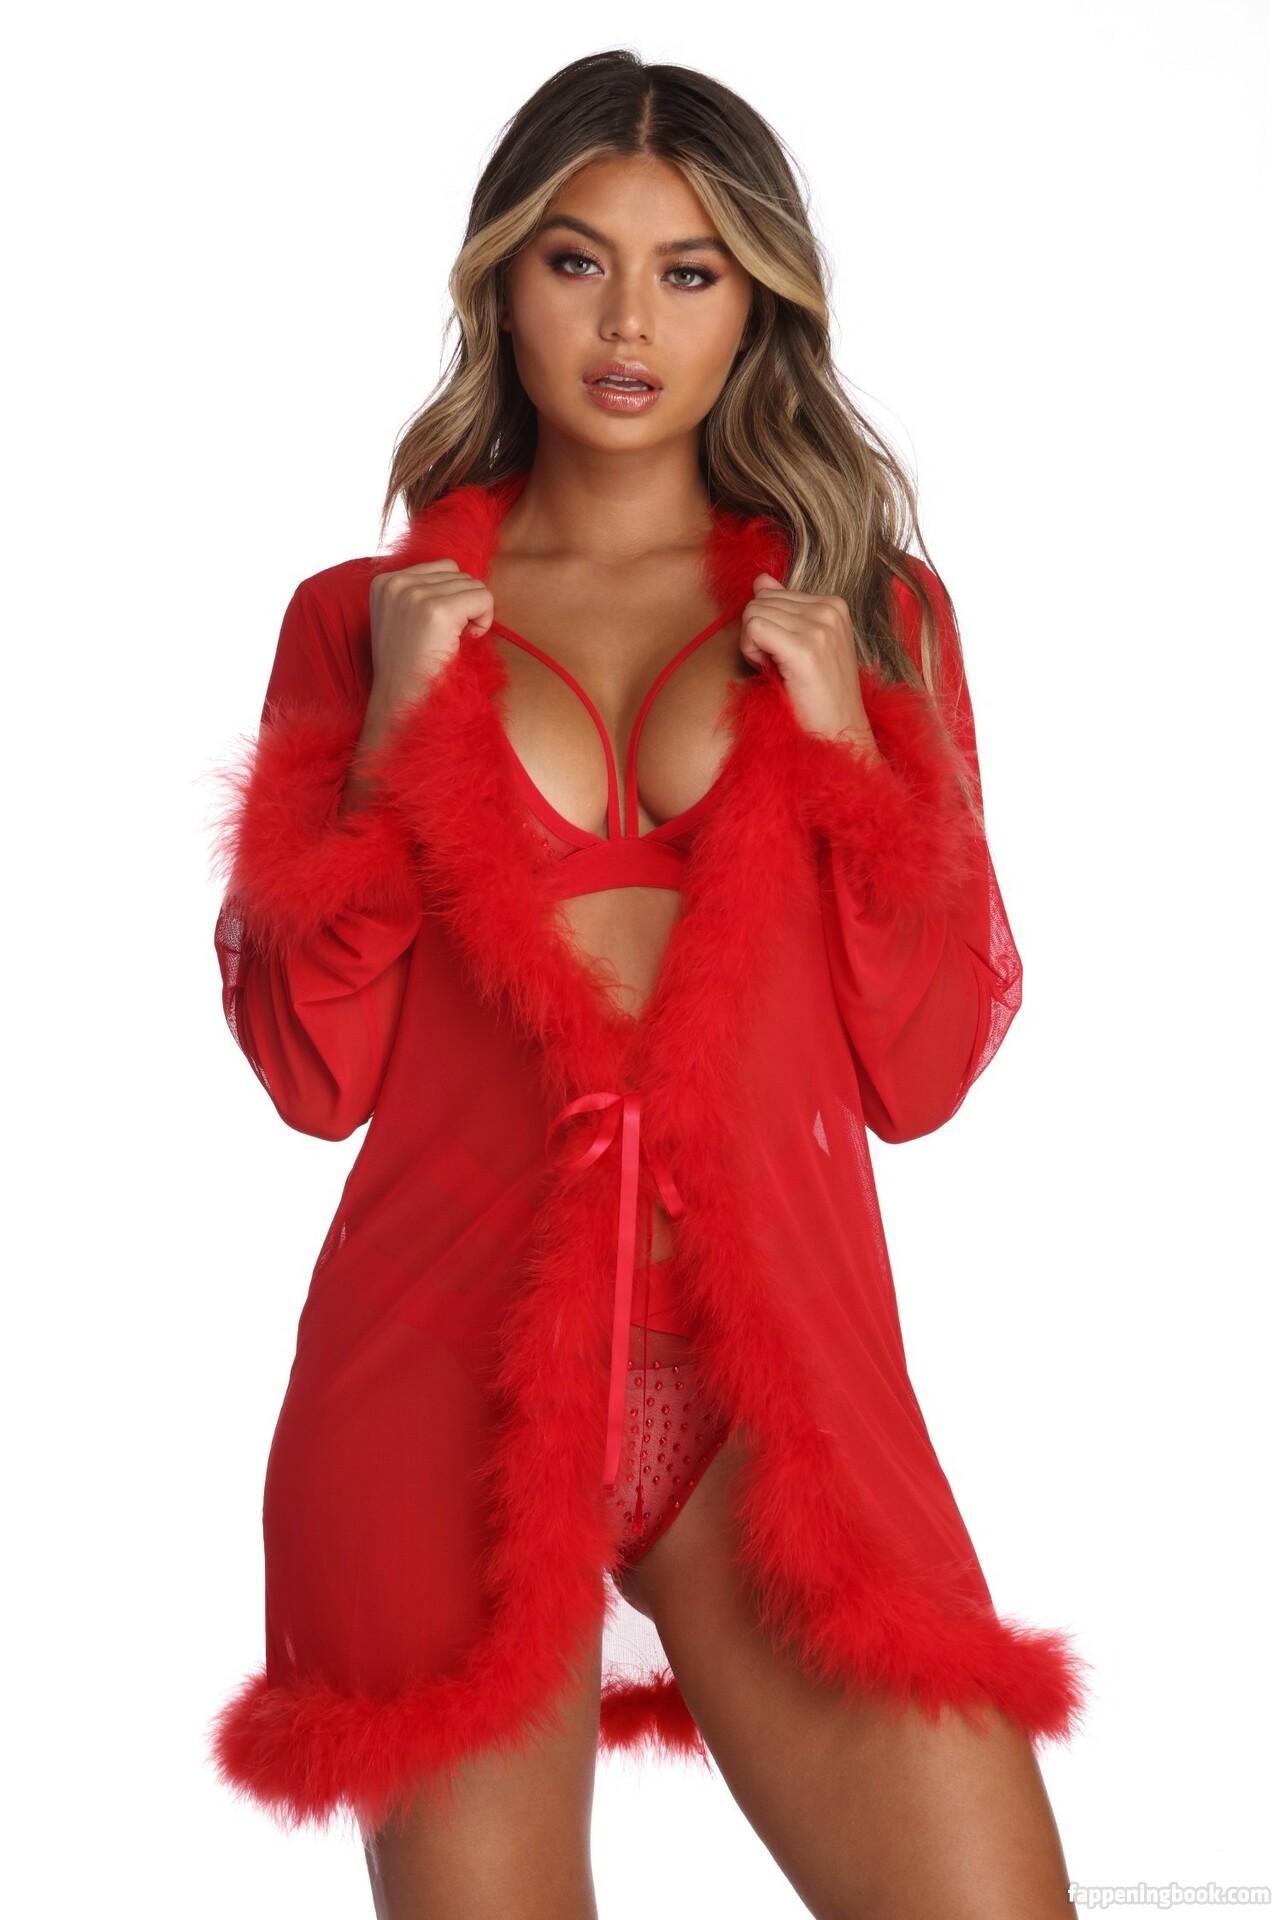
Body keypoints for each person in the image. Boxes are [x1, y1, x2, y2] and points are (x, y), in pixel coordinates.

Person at [208, 49, 1086, 1920]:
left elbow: (923, 1067)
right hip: (433, 1383)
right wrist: (390, 754)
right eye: (574, 261)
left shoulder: (870, 614)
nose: (628, 323)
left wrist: (839, 748)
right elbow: (310, 1071)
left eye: (688, 271)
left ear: (755, 301)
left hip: (776, 1398)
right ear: (499, 282)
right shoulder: (359, 621)